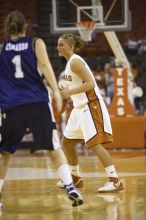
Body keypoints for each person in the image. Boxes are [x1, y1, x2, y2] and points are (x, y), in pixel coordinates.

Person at [0, 11, 83, 208]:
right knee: (53, 146)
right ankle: (70, 186)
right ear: (25, 26)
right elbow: (45, 65)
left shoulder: (2, 48)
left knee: (5, 153)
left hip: (12, 105)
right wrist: (55, 91)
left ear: (7, 28)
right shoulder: (35, 42)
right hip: (36, 101)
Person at [56, 33, 124, 193]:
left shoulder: (75, 62)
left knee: (94, 144)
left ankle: (115, 181)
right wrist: (66, 97)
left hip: (90, 106)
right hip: (78, 108)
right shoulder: (69, 64)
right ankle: (75, 178)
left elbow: (91, 84)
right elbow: (73, 89)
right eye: (58, 44)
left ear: (70, 46)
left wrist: (69, 92)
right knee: (67, 142)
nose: (58, 47)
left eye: (61, 44)